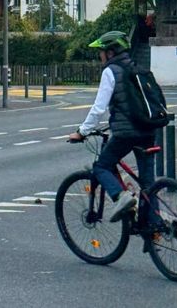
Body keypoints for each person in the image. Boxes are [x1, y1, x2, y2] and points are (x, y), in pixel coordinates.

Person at [67, 30, 156, 223]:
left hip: (127, 133)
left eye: (101, 51)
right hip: (149, 130)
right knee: (148, 183)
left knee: (101, 167)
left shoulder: (111, 71)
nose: (100, 56)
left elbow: (99, 108)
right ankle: (156, 227)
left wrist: (82, 132)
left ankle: (120, 196)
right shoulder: (137, 67)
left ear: (110, 52)